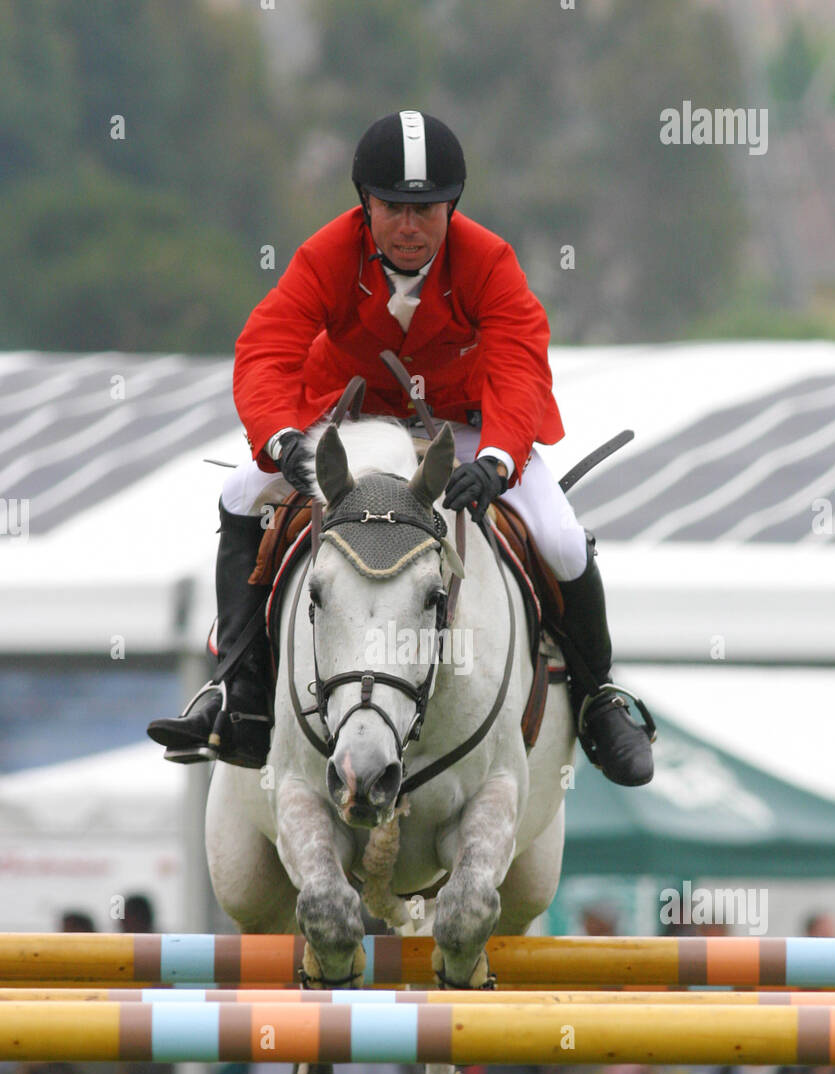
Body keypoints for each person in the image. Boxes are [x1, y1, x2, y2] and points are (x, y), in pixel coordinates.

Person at [148, 110, 654, 787]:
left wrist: (498, 460)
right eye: (393, 207)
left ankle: (598, 698)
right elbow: (267, 348)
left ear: (451, 206)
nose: (410, 226)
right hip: (354, 417)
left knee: (560, 539)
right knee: (239, 492)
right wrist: (282, 437)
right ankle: (235, 688)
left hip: (466, 422)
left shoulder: (487, 260)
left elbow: (519, 364)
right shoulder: (327, 254)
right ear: (365, 204)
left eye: (427, 208)